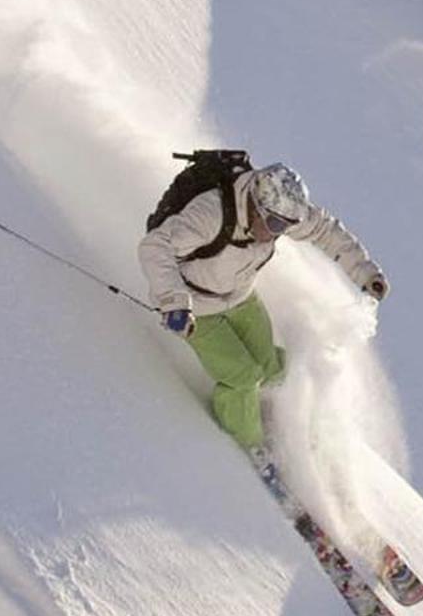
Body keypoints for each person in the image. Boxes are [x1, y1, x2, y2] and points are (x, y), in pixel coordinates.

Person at [139, 162, 387, 457]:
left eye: (284, 227)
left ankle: (274, 418)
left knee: (273, 369)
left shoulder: (283, 210)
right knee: (242, 376)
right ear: (256, 204)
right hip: (196, 305)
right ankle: (250, 447)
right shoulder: (211, 213)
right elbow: (155, 246)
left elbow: (324, 230)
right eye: (274, 225)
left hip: (240, 297)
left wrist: (364, 272)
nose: (276, 234)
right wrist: (174, 301)